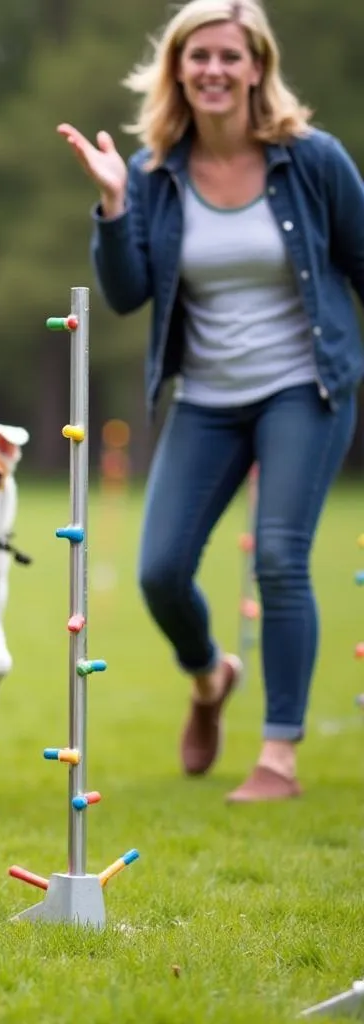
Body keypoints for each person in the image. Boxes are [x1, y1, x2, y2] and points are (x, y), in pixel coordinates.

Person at [57, 0, 364, 802]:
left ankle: (279, 756)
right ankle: (209, 677)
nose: (214, 70)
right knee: (160, 572)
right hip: (205, 398)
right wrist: (115, 205)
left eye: (230, 55)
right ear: (178, 71)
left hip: (306, 385)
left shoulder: (314, 160)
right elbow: (125, 296)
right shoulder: (155, 175)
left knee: (279, 558)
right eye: (198, 57)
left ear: (258, 65)